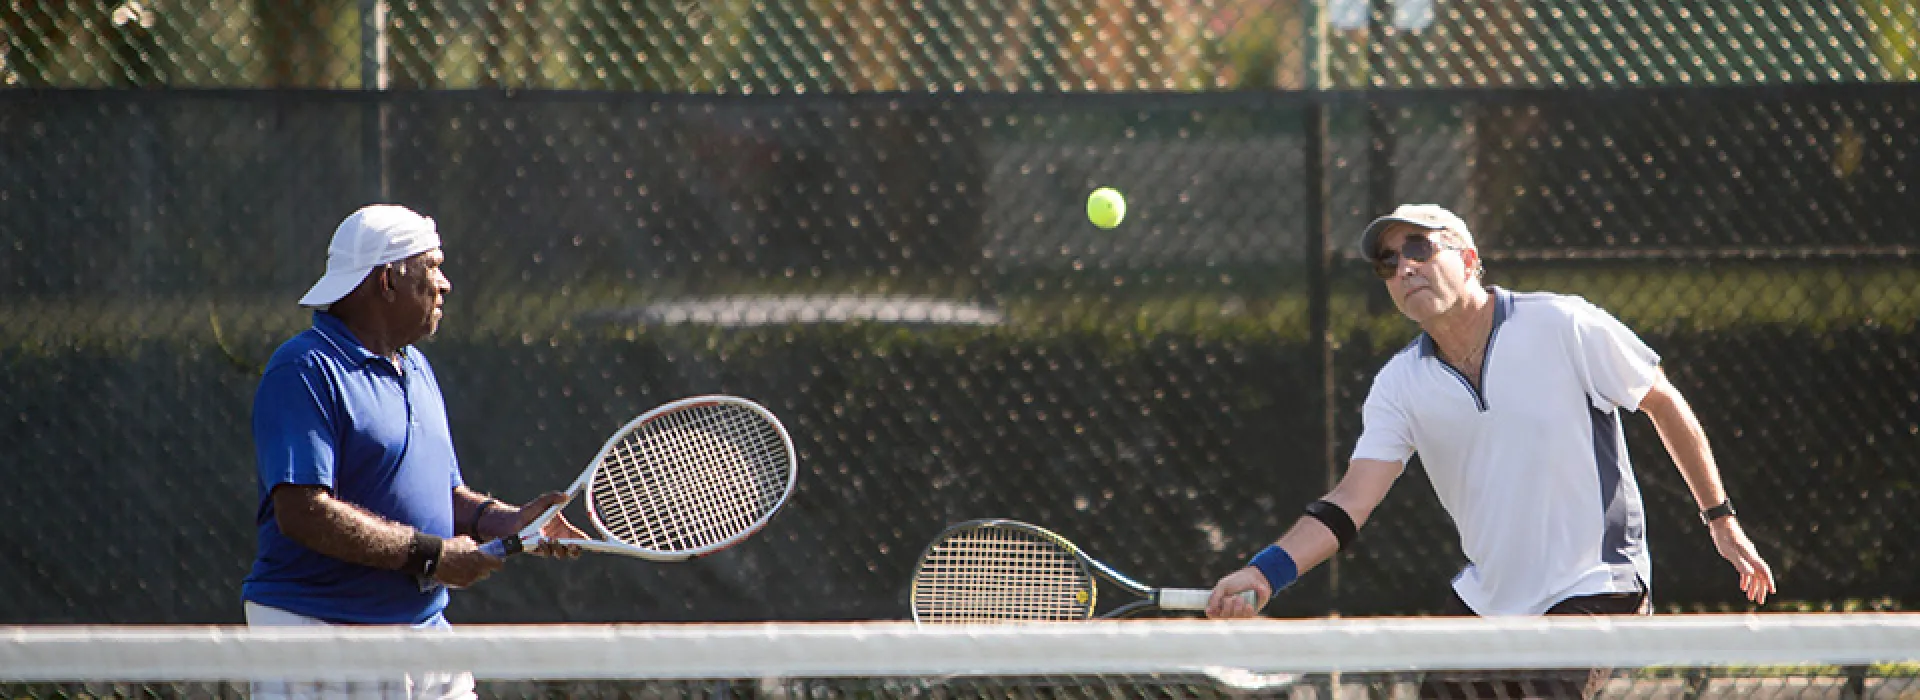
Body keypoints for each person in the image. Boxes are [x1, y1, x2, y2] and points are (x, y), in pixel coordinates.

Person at [1204, 204, 1776, 698]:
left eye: (1420, 249)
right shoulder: (1400, 385)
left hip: (1597, 585)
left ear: (1470, 260)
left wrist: (1720, 519)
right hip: (1490, 601)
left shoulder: (1562, 324)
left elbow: (1664, 403)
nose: (1404, 267)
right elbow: (1349, 503)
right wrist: (1265, 573)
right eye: (1388, 263)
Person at [243, 204, 585, 700]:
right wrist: (432, 556)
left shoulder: (417, 369)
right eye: (432, 267)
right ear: (387, 281)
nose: (444, 283)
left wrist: (507, 522)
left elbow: (440, 495)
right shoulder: (304, 369)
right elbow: (302, 512)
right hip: (318, 637)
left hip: (425, 634)